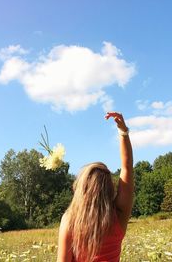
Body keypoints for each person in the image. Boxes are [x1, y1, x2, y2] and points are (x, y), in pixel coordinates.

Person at [57, 112, 133, 262]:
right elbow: (127, 167)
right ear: (109, 189)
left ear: (81, 189)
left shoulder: (69, 220)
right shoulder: (119, 214)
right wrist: (123, 132)